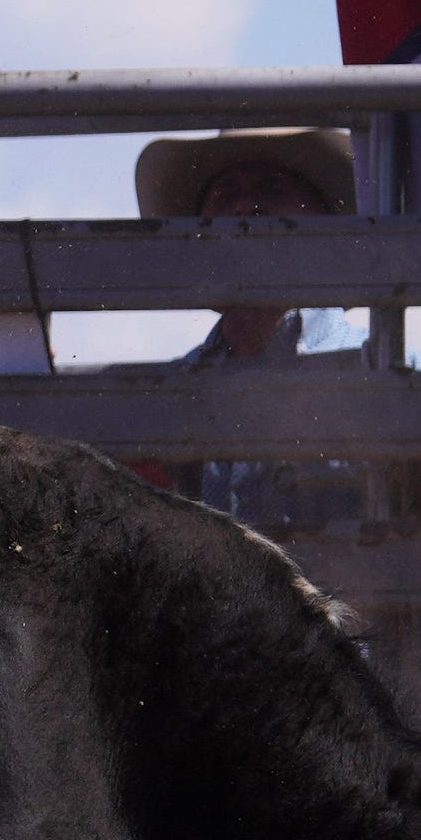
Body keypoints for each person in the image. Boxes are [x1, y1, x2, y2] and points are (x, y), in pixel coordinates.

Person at [129, 128, 367, 535]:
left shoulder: (390, 366)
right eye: (224, 196)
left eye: (273, 189)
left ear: (324, 221)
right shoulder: (164, 393)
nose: (246, 207)